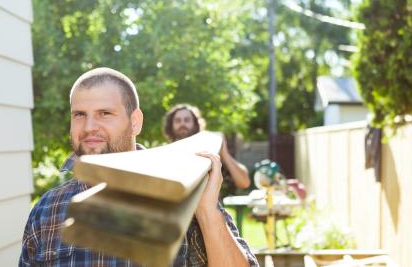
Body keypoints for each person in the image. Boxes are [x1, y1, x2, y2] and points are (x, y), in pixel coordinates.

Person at [19, 68, 258, 266]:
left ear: (135, 122)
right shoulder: (46, 210)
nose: (89, 126)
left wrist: (207, 212)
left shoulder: (178, 190)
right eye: (79, 114)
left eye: (105, 113)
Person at [163, 104, 251, 198]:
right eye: (177, 121)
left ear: (195, 124)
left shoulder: (208, 149)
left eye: (187, 120)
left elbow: (244, 183)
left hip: (211, 210)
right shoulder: (165, 155)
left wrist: (224, 153)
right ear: (171, 125)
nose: (182, 124)